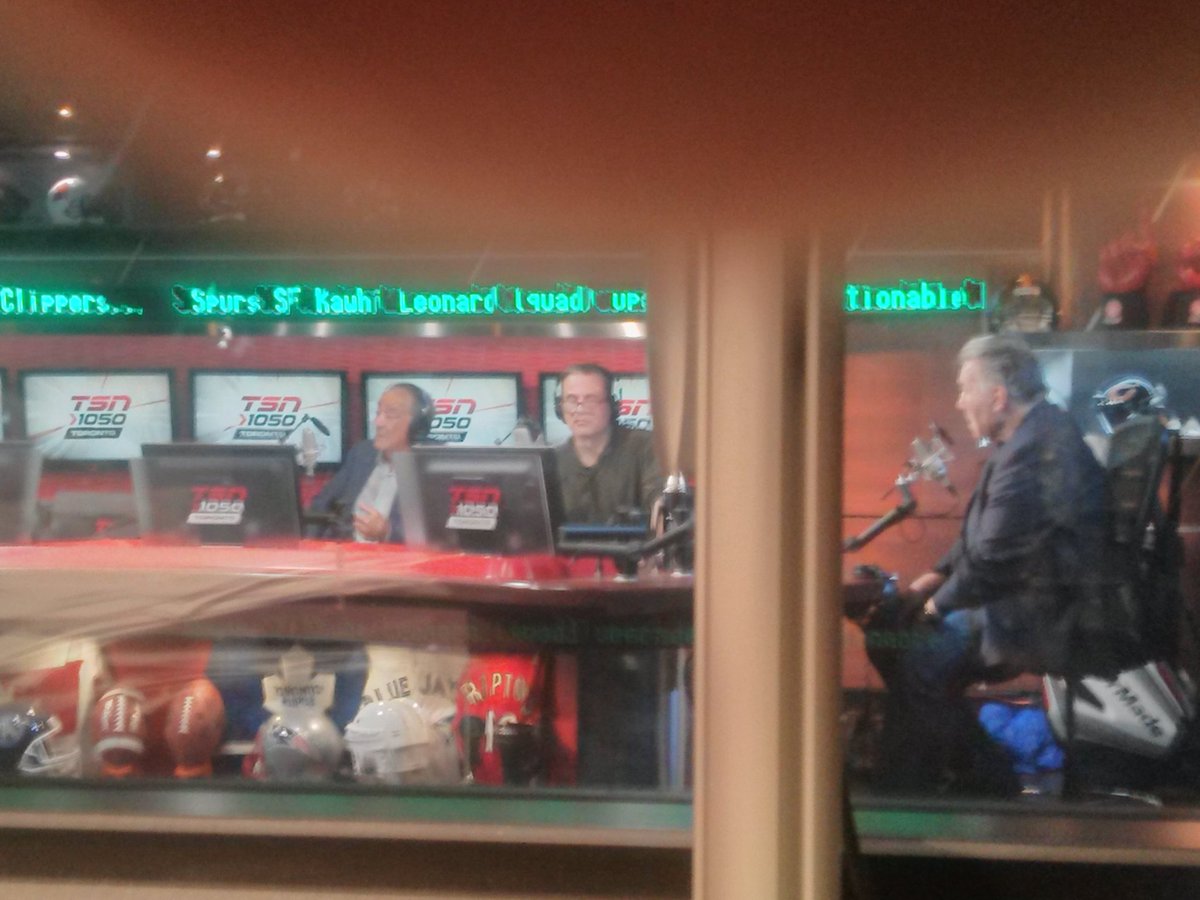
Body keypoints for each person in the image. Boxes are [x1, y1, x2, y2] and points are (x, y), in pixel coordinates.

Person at [878, 333, 1111, 795]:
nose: (960, 402)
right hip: (1021, 599)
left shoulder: (1035, 449)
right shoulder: (1031, 436)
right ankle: (928, 779)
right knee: (892, 638)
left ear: (999, 396)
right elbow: (983, 539)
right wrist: (935, 577)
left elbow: (991, 559)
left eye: (966, 388)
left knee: (913, 655)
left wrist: (934, 608)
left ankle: (981, 782)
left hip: (1036, 613)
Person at [306, 382, 429, 542]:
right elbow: (321, 504)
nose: (378, 422)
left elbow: (433, 534)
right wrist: (307, 546)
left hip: (392, 556)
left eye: (390, 415)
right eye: (378, 413)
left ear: (415, 425)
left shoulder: (428, 467)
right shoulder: (362, 453)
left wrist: (388, 532)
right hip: (345, 552)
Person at [553, 363, 661, 524]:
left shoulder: (645, 446)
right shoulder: (552, 461)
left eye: (591, 399)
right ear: (560, 408)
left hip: (634, 541)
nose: (580, 409)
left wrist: (661, 505)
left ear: (612, 405)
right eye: (571, 400)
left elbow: (660, 495)